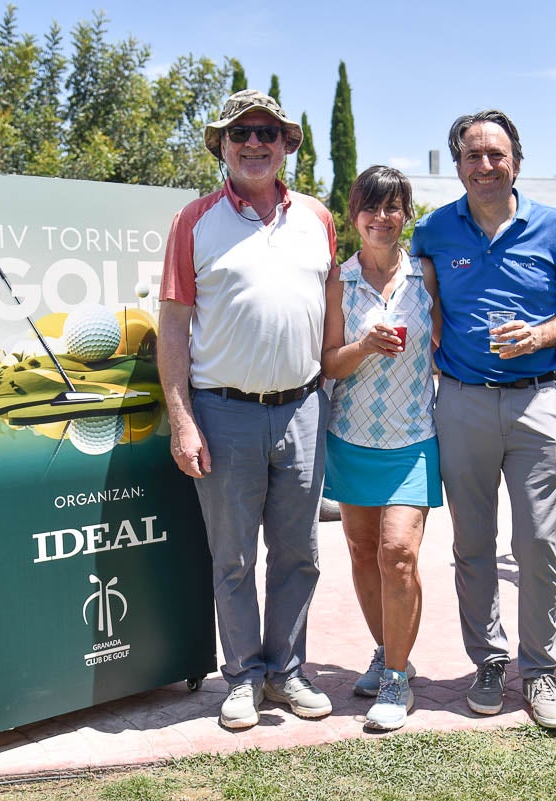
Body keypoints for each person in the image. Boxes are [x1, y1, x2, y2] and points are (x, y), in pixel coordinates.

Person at [157, 90, 337, 730]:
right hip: (223, 413)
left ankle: (286, 673)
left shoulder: (318, 219)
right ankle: (242, 678)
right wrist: (182, 419)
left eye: (267, 132)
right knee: (232, 558)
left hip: (303, 409)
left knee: (299, 555)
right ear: (223, 147)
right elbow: (172, 327)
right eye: (241, 134)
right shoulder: (194, 221)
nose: (254, 143)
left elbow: (332, 313)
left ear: (286, 144)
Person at [411, 109, 556, 730]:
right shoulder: (434, 230)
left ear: (516, 161)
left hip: (538, 402)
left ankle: (540, 672)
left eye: (496, 154)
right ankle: (488, 662)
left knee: (539, 544)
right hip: (461, 402)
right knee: (472, 544)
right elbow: (415, 301)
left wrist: (540, 334)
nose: (485, 165)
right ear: (458, 164)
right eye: (473, 155)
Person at [320, 166, 442, 731]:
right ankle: (388, 651)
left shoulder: (426, 275)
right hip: (351, 436)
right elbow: (329, 364)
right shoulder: (338, 281)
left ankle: (396, 680)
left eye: (393, 207)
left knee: (398, 554)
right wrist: (365, 345)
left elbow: (448, 341)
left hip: (413, 437)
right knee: (362, 551)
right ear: (354, 216)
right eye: (371, 207)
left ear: (406, 215)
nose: (382, 218)